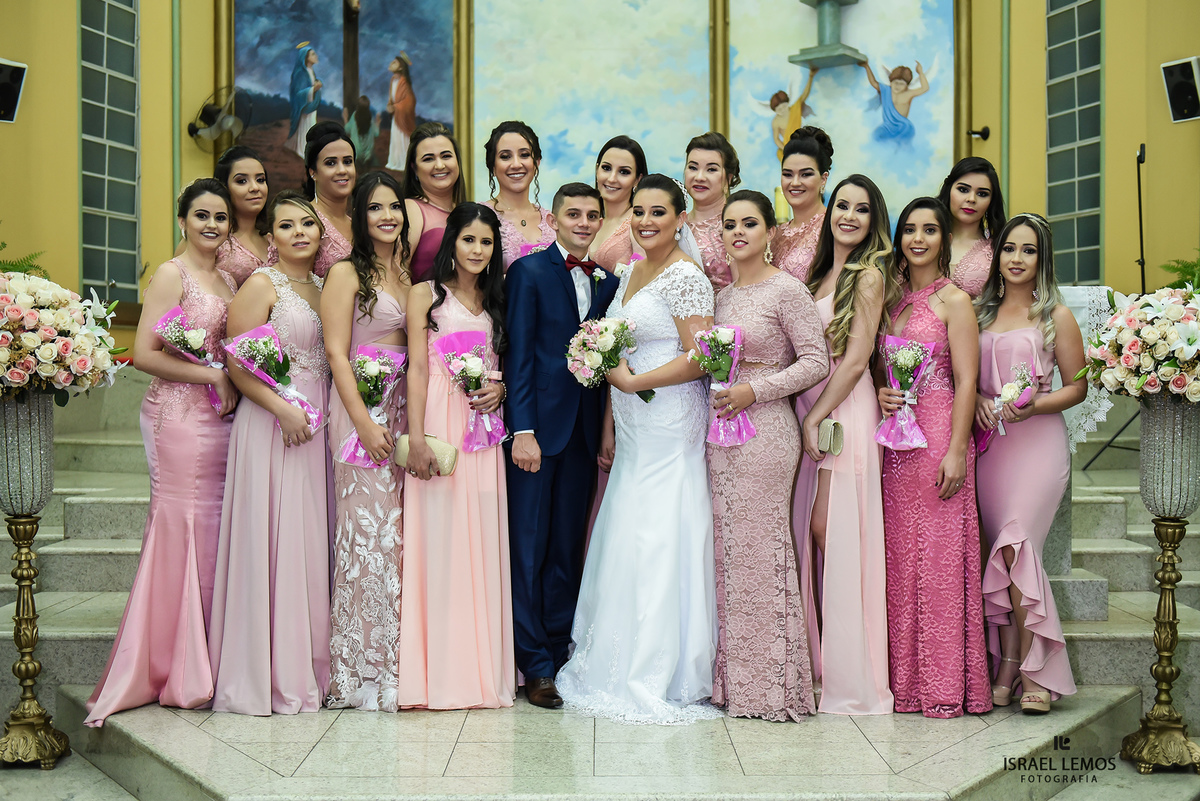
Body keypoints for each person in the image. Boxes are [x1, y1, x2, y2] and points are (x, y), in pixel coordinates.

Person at [556, 175, 719, 724]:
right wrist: (611, 412)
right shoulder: (628, 273)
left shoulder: (686, 278)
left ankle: (659, 664)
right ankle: (610, 654)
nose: (646, 222)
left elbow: (704, 358)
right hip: (629, 425)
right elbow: (615, 351)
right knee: (624, 525)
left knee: (658, 531)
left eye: (658, 212)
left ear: (680, 219)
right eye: (639, 213)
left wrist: (630, 382)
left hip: (670, 421)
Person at [85, 179, 239, 726]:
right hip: (176, 415)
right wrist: (209, 373)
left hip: (218, 416)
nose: (212, 225)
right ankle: (166, 661)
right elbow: (142, 352)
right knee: (181, 523)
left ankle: (205, 654)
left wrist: (228, 376)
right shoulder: (170, 275)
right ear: (182, 220)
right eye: (202, 215)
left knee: (213, 530)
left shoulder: (224, 276)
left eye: (221, 217)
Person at [208, 192, 331, 716]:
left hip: (319, 419)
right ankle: (262, 670)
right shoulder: (262, 285)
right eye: (287, 225)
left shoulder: (328, 286)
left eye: (308, 223)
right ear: (272, 237)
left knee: (307, 534)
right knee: (273, 533)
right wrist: (280, 409)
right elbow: (238, 361)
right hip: (271, 420)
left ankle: (307, 664)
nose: (300, 231)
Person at [708, 190, 828, 722]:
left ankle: (774, 685)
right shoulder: (721, 297)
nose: (737, 232)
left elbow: (816, 361)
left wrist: (756, 391)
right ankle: (735, 682)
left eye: (749, 223)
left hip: (766, 432)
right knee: (729, 554)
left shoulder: (788, 291)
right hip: (720, 434)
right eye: (729, 224)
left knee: (764, 550)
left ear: (769, 233)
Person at [505, 183, 619, 709]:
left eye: (592, 215)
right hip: (538, 432)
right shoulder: (527, 273)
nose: (583, 221)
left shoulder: (607, 282)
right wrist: (522, 429)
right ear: (552, 218)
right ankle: (534, 664)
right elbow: (519, 356)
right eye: (573, 213)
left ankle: (558, 647)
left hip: (581, 431)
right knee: (529, 546)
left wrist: (603, 431)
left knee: (567, 546)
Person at [398, 203, 515, 709]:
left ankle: (482, 669)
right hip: (441, 424)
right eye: (469, 240)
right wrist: (418, 436)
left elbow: (501, 364)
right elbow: (418, 370)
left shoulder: (496, 299)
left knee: (482, 537)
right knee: (440, 538)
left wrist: (501, 389)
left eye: (486, 242)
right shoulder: (425, 294)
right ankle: (438, 673)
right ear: (453, 243)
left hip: (483, 432)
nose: (477, 250)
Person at [878, 197, 991, 719]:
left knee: (941, 563)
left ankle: (945, 685)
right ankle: (904, 685)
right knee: (900, 561)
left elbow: (968, 379)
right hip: (896, 443)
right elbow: (881, 368)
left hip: (941, 435)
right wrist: (884, 394)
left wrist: (956, 451)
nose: (918, 238)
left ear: (945, 238)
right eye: (909, 229)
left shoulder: (955, 301)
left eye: (929, 229)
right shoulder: (892, 298)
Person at [974, 213, 1084, 714]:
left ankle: (1028, 668)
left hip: (1037, 443)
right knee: (1001, 555)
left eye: (1028, 250)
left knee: (1017, 551)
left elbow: (1077, 386)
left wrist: (1035, 404)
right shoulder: (978, 313)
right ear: (997, 255)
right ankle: (1009, 662)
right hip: (992, 448)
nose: (1016, 258)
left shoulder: (1055, 315)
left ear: (1043, 259)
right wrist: (975, 396)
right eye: (1009, 249)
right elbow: (963, 374)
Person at [793, 175, 895, 715]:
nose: (849, 216)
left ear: (874, 218)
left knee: (830, 529)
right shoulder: (820, 273)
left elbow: (856, 361)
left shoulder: (870, 274)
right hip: (813, 411)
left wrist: (817, 414)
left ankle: (853, 669)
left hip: (843, 413)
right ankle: (828, 659)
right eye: (842, 206)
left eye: (861, 209)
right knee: (817, 531)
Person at [321, 171, 412, 711]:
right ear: (360, 216)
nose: (387, 216)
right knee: (365, 537)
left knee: (396, 538)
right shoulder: (346, 272)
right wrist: (363, 422)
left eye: (394, 207)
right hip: (364, 412)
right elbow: (336, 354)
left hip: (402, 410)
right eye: (375, 207)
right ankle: (360, 670)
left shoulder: (404, 273)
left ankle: (400, 660)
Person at [483, 120, 555, 269]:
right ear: (493, 167)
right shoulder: (480, 217)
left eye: (524, 155)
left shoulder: (551, 221)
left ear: (537, 163)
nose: (516, 164)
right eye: (505, 156)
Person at [403, 122, 467, 283]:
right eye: (428, 159)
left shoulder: (465, 212)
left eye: (446, 156)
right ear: (415, 169)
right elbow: (397, 275)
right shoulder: (412, 209)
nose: (439, 165)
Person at [937, 157, 1007, 298]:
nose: (971, 199)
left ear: (991, 201)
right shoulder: (924, 240)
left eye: (982, 194)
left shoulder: (1000, 249)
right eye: (963, 190)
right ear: (949, 190)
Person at [773, 127, 832, 283]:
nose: (795, 183)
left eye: (806, 174)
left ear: (823, 178)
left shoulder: (832, 227)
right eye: (787, 174)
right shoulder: (777, 233)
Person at [684, 131, 741, 291]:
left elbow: (746, 289)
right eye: (693, 167)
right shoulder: (676, 225)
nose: (699, 177)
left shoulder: (736, 226)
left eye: (711, 170)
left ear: (728, 179)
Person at [304, 121, 356, 278]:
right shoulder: (305, 219)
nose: (342, 170)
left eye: (347, 162)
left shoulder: (358, 224)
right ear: (313, 172)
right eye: (331, 163)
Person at [212, 146, 269, 286]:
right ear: (224, 188)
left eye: (260, 180)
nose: (255, 187)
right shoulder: (211, 237)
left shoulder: (274, 237)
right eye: (242, 181)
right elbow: (178, 291)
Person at [591, 135, 647, 272]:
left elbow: (646, 277)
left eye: (624, 172)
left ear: (637, 179)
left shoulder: (639, 222)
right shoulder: (589, 221)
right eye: (606, 168)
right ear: (597, 170)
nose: (612, 178)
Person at [860, 61, 928, 144]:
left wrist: (920, 72)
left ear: (907, 86)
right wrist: (867, 67)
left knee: (900, 145)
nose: (898, 86)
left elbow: (925, 88)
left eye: (901, 84)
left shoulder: (908, 94)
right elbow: (874, 83)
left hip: (903, 128)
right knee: (876, 136)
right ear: (891, 83)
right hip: (887, 127)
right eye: (896, 83)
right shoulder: (886, 90)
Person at [285, 44, 322, 159]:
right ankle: (302, 150)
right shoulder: (300, 73)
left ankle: (307, 149)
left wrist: (315, 88)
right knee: (304, 129)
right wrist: (313, 89)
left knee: (311, 126)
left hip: (310, 106)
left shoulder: (311, 71)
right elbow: (298, 94)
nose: (316, 56)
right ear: (305, 58)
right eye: (312, 54)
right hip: (303, 108)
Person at [384, 54, 416, 172]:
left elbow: (410, 101)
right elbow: (391, 98)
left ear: (401, 67)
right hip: (396, 117)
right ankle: (395, 162)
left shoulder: (404, 82)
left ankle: (404, 164)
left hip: (402, 117)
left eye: (395, 62)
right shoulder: (393, 80)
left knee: (403, 140)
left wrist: (396, 107)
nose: (391, 63)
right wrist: (390, 105)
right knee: (396, 139)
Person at [344, 96, 380, 169]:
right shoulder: (370, 117)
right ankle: (367, 160)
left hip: (356, 151)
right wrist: (378, 122)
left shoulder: (354, 115)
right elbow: (376, 133)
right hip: (368, 153)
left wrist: (345, 117)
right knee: (371, 156)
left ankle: (357, 161)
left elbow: (346, 130)